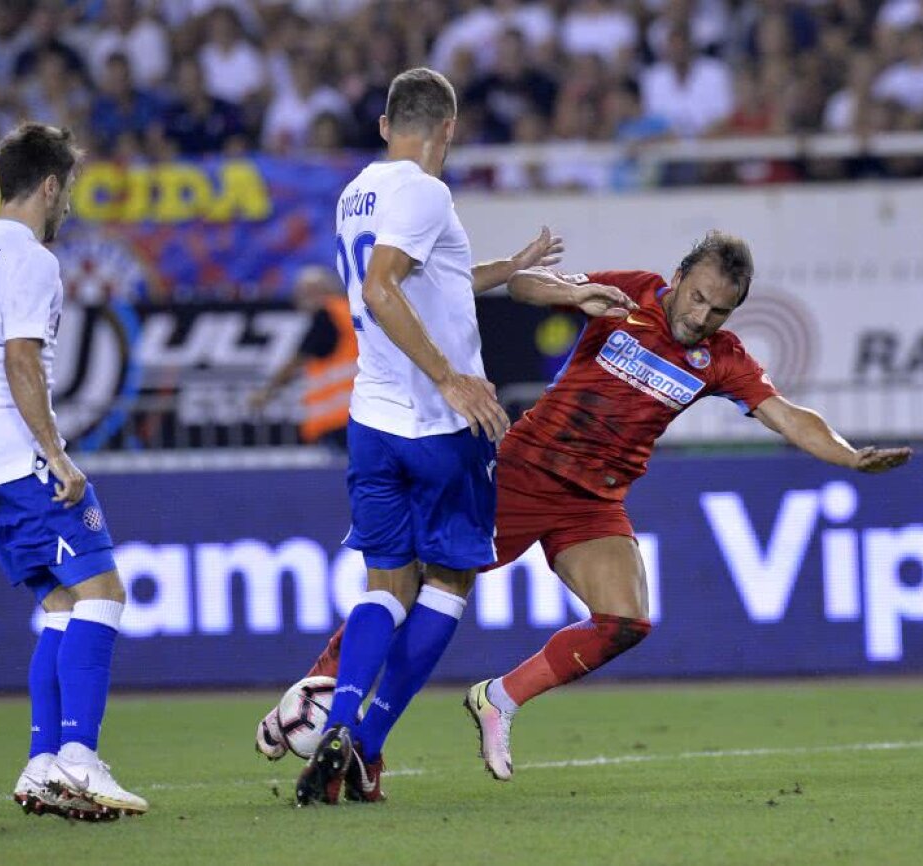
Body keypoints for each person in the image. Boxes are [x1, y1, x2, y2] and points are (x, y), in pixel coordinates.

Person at [261, 230, 912, 784]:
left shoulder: (721, 360)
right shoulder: (628, 293)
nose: (701, 317)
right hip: (523, 473)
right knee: (415, 593)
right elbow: (524, 289)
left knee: (626, 621)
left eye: (719, 311)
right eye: (697, 298)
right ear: (680, 277)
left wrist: (850, 456)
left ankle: (500, 698)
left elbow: (788, 416)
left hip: (593, 501)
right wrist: (573, 292)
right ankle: (314, 696)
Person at [289, 67, 563, 806]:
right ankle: (368, 747)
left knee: (384, 586)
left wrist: (509, 268)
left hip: (372, 423)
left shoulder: (358, 193)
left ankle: (339, 725)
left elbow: (425, 281)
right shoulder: (426, 189)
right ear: (448, 130)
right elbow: (382, 288)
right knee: (447, 582)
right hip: (441, 427)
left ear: (383, 125)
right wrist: (449, 377)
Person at [0, 123, 147, 821]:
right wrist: (56, 453)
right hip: (22, 459)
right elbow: (21, 362)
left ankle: (43, 763)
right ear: (49, 185)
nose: (69, 202)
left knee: (60, 608)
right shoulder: (31, 258)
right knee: (104, 590)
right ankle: (80, 758)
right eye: (68, 187)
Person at [248, 266, 357, 450]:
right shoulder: (350, 312)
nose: (304, 297)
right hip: (358, 411)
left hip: (339, 416)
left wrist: (266, 392)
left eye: (310, 291)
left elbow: (298, 360)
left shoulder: (328, 314)